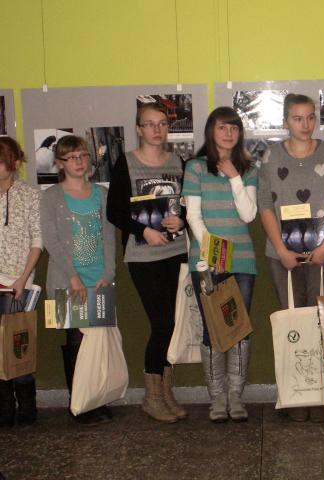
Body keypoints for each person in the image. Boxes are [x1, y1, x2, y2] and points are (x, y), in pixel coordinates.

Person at [257, 93, 324, 422]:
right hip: (283, 255)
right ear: (285, 122)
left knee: (322, 324)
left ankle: (322, 395)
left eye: (310, 117)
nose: (305, 124)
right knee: (293, 324)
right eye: (297, 118)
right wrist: (281, 250)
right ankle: (296, 395)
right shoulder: (270, 155)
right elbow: (265, 204)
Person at [106, 103, 188, 423]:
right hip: (143, 256)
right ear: (139, 129)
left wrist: (181, 221)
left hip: (176, 252)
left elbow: (186, 205)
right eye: (150, 124)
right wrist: (143, 231)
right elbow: (115, 212)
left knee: (173, 324)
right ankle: (151, 397)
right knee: (162, 324)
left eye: (162, 123)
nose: (157, 129)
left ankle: (165, 392)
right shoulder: (125, 163)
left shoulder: (178, 162)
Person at [182, 107, 257, 423]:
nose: (229, 133)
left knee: (238, 329)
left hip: (242, 260)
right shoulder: (195, 167)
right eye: (222, 127)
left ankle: (235, 397)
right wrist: (213, 254)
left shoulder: (248, 169)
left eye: (234, 128)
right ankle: (217, 398)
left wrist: (235, 176)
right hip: (206, 260)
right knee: (213, 328)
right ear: (211, 130)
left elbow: (248, 214)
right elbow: (192, 216)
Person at [40, 135, 115, 425]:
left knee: (99, 344)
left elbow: (108, 236)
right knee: (76, 342)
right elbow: (51, 241)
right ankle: (79, 404)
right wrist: (73, 277)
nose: (79, 161)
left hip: (99, 278)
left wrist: (108, 273)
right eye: (72, 157)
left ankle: (98, 398)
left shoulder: (101, 194)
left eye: (83, 155)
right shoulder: (51, 197)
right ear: (60, 163)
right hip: (65, 279)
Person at [0, 137, 41, 427]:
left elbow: (37, 241)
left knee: (18, 344)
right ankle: (4, 408)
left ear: (14, 163)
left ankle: (27, 406)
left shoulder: (29, 195)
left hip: (19, 282)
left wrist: (22, 279)